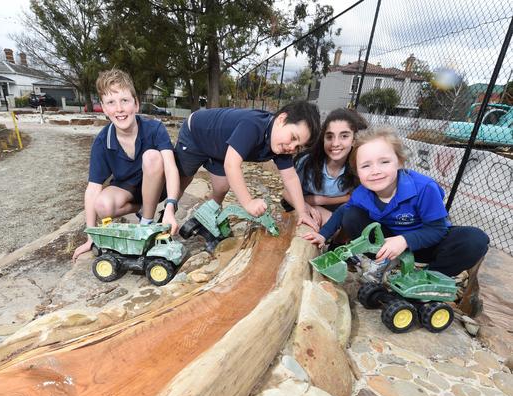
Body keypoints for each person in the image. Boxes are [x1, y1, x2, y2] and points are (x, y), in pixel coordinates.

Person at [303, 126, 489, 279]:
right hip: (386, 245)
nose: (375, 170)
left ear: (399, 162)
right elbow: (343, 211)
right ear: (357, 171)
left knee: (475, 240)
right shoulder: (362, 193)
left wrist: (404, 240)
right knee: (351, 215)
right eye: (366, 165)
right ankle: (383, 265)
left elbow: (437, 230)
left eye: (384, 162)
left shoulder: (424, 188)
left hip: (426, 243)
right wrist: (322, 235)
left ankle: (427, 277)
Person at [72, 69, 180, 261]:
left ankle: (146, 222)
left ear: (136, 104)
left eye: (124, 100)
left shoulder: (154, 129)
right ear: (104, 109)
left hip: (156, 184)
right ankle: (141, 207)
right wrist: (91, 236)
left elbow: (171, 168)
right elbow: (93, 188)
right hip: (127, 188)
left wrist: (170, 207)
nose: (119, 109)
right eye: (111, 103)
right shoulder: (102, 141)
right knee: (102, 205)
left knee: (152, 157)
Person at [174, 101, 321, 228]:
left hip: (220, 148)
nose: (292, 147)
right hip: (196, 135)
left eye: (298, 146)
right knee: (182, 180)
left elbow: (290, 178)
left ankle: (204, 217)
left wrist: (302, 212)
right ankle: (167, 214)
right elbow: (232, 165)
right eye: (293, 137)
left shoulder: (281, 145)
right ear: (281, 119)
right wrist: (248, 202)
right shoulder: (253, 125)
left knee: (222, 187)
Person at [282, 108, 368, 228]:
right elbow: (286, 193)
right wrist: (308, 205)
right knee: (334, 225)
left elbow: (356, 198)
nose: (335, 143)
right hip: (300, 205)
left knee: (351, 221)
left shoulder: (359, 165)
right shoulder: (308, 162)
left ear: (354, 140)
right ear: (323, 139)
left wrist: (321, 200)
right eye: (329, 137)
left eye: (344, 136)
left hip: (334, 208)